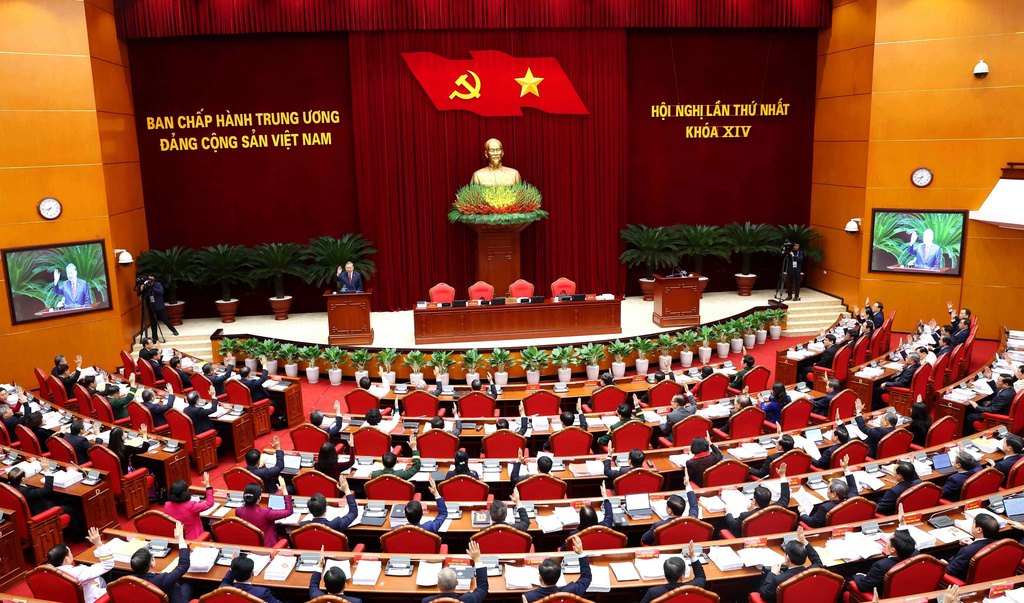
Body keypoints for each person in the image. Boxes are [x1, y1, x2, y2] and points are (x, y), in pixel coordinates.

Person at [46, 528, 113, 603]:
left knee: (99, 579)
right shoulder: (79, 572)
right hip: (90, 599)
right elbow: (108, 565)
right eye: (70, 553)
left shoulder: (47, 573)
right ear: (66, 559)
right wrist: (98, 543)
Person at [757, 526, 821, 603]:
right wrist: (804, 541)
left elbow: (764, 594)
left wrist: (772, 574)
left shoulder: (778, 580)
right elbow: (817, 562)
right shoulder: (814, 571)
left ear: (787, 558)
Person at [132, 521, 190, 603]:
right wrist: (180, 539)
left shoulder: (129, 580)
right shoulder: (163, 580)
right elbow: (184, 565)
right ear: (152, 563)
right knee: (189, 584)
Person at [725, 463, 791, 536]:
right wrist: (782, 476)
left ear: (754, 500)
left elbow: (733, 524)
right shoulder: (779, 507)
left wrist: (728, 512)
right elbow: (785, 497)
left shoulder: (746, 515)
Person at [523, 535, 590, 603]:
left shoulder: (529, 597)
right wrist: (581, 553)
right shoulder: (573, 590)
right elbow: (586, 578)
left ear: (540, 577)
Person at [641, 469, 699, 545]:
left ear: (669, 511)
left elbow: (644, 540)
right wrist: (687, 485)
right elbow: (694, 505)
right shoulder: (693, 519)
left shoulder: (658, 526)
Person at [852, 528, 917, 593]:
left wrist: (858, 575)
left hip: (883, 596)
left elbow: (863, 586)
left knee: (847, 579)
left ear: (893, 550)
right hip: (907, 590)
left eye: (889, 540)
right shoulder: (916, 555)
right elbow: (907, 541)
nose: (887, 541)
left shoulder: (881, 566)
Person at [798, 457, 856, 528]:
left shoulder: (825, 508)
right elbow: (852, 486)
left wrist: (802, 512)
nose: (827, 490)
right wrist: (846, 469)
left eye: (828, 488)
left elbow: (811, 522)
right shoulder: (853, 498)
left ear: (834, 494)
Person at [640, 542, 706, 603]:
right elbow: (700, 577)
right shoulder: (693, 587)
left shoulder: (653, 592)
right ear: (682, 577)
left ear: (665, 575)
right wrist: (692, 556)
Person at [422, 542, 487, 603]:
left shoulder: (427, 601)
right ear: (457, 583)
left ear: (438, 584)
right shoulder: (469, 599)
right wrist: (477, 559)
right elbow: (483, 588)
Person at [236, 478, 293, 547]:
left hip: (249, 546)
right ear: (259, 498)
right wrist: (284, 490)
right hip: (267, 547)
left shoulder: (238, 511)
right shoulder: (265, 512)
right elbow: (289, 511)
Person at [945, 513, 1000, 581]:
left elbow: (951, 571)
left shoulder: (967, 551)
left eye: (973, 523)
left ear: (979, 530)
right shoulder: (1000, 544)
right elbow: (983, 547)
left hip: (963, 581)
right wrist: (974, 544)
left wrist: (943, 563)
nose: (971, 526)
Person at [164, 473, 213, 539]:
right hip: (195, 540)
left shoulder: (167, 505)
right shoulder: (191, 506)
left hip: (177, 538)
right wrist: (208, 486)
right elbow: (209, 503)